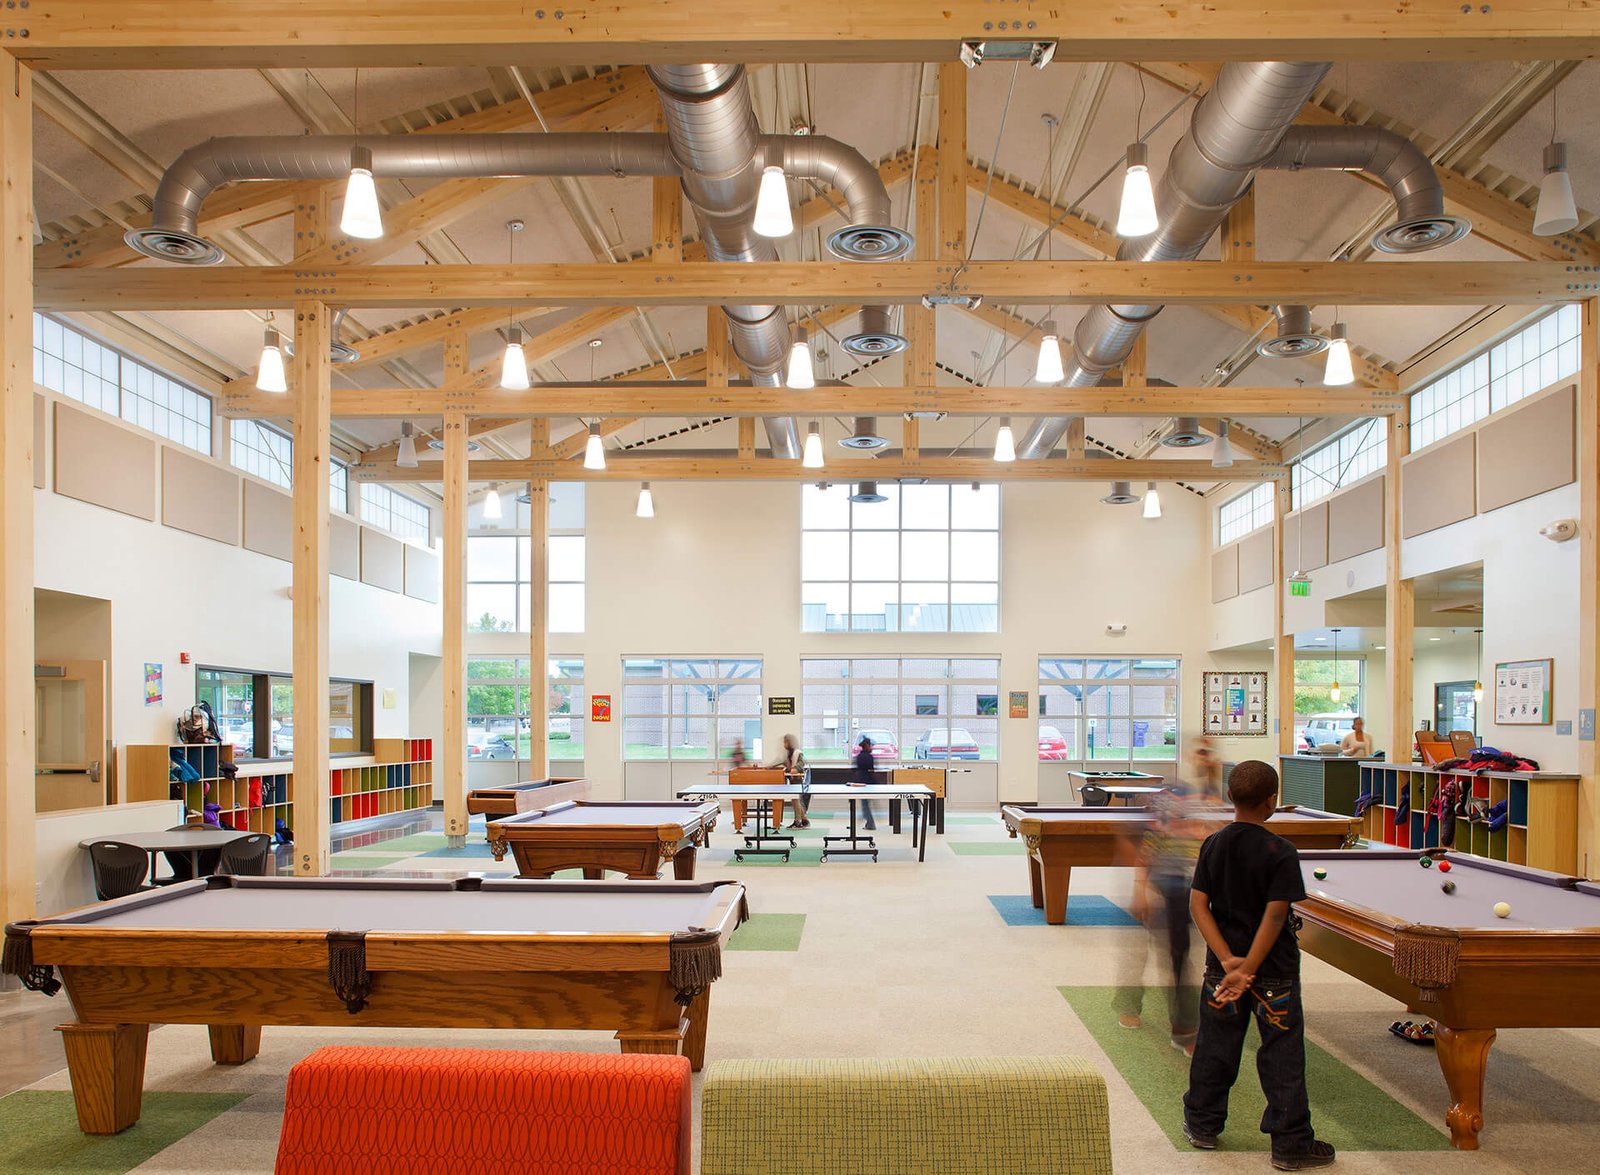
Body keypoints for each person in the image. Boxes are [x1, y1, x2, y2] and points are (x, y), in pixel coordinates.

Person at [1183, 760, 1335, 1170]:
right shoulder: (1281, 852)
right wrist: (1249, 966)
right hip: (1274, 973)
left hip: (1223, 971)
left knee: (1215, 1047)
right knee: (1281, 1053)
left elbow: (1199, 905)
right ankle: (1290, 1145)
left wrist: (1230, 962)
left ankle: (1202, 1125)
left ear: (1229, 797)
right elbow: (1273, 916)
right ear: (1272, 802)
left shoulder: (1213, 844)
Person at [1116, 737, 1222, 1054]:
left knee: (1182, 954)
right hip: (1167, 884)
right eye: (1201, 751)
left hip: (1197, 889)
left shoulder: (1217, 800)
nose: (1206, 758)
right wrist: (1140, 890)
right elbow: (1148, 844)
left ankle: (1185, 1024)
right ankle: (1147, 1011)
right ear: (1190, 755)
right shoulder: (1172, 796)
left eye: (1211, 752)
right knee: (1157, 952)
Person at [767, 734, 809, 830]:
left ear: (789, 742)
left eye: (785, 742)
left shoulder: (797, 753)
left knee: (796, 800)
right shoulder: (788, 754)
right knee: (796, 800)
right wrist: (768, 767)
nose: (784, 744)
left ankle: (798, 821)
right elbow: (779, 761)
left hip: (798, 780)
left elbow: (802, 763)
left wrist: (796, 769)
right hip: (792, 780)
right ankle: (804, 820)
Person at [852, 735, 878, 831]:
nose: (871, 747)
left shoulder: (859, 757)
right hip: (868, 783)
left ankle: (870, 823)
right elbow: (872, 771)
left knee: (865, 805)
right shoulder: (869, 757)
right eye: (871, 745)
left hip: (861, 783)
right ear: (867, 746)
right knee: (866, 805)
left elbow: (855, 770)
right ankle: (870, 823)